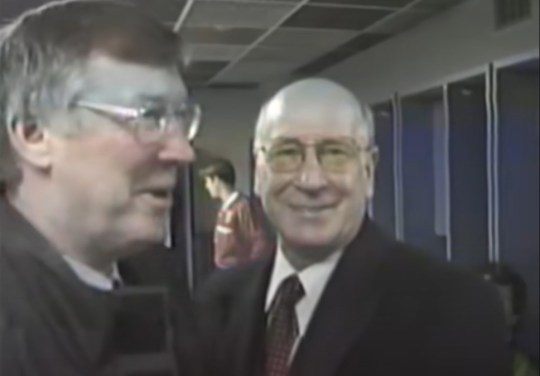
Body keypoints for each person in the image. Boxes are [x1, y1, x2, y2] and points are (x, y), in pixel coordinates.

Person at [195, 78, 512, 376]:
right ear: (259, 172)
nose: (311, 180)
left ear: (369, 171)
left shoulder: (456, 308)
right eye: (287, 153)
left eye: (335, 153)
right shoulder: (216, 302)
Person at [0, 1, 202, 375]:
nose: (183, 152)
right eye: (149, 118)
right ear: (35, 135)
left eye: (181, 120)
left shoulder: (156, 271)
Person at [200, 158, 274, 269]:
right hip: (224, 271)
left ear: (216, 180)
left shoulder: (242, 207)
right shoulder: (224, 209)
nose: (206, 186)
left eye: (208, 181)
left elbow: (258, 243)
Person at [477, 263, 539, 376]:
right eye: (477, 298)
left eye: (497, 299)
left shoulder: (526, 369)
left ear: (515, 316)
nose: (483, 306)